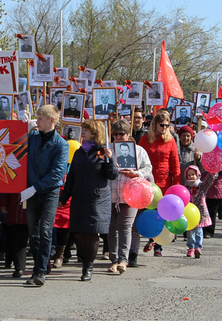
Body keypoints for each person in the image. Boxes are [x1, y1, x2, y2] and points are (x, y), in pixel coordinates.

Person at [60, 120, 118, 281]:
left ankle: (88, 267)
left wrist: (110, 160)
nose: (83, 132)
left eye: (86, 130)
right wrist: (63, 198)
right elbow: (71, 177)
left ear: (95, 132)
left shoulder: (102, 151)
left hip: (96, 199)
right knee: (78, 232)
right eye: (83, 129)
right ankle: (84, 260)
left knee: (92, 232)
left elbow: (112, 175)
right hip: (79, 197)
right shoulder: (79, 152)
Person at [20, 105, 69, 286]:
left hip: (49, 192)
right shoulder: (32, 138)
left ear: (52, 121)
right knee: (33, 234)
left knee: (45, 231)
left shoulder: (61, 144)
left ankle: (40, 272)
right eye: (37, 118)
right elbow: (16, 147)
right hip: (32, 191)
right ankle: (39, 266)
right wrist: (20, 125)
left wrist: (34, 188)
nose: (37, 121)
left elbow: (57, 174)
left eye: (40, 119)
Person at [108, 119, 152, 272]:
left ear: (128, 134)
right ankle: (113, 259)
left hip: (130, 196)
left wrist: (137, 173)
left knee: (125, 228)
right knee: (111, 228)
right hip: (111, 195)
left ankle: (123, 260)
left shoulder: (139, 151)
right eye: (116, 134)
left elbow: (148, 168)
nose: (119, 137)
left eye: (122, 134)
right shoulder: (108, 149)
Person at [139, 110, 181, 256]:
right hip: (148, 181)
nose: (165, 128)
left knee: (162, 213)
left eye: (167, 125)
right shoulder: (145, 139)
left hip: (164, 183)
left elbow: (175, 164)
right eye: (162, 125)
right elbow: (139, 160)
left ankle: (157, 245)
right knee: (148, 212)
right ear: (155, 124)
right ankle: (150, 237)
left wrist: (177, 185)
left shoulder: (171, 140)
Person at [184, 166, 216, 258]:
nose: (191, 177)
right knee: (190, 232)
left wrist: (212, 173)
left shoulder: (201, 186)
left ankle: (198, 247)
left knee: (198, 230)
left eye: (193, 174)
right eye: (189, 175)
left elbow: (209, 181)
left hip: (200, 213)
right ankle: (191, 248)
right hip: (189, 214)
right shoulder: (185, 187)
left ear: (197, 175)